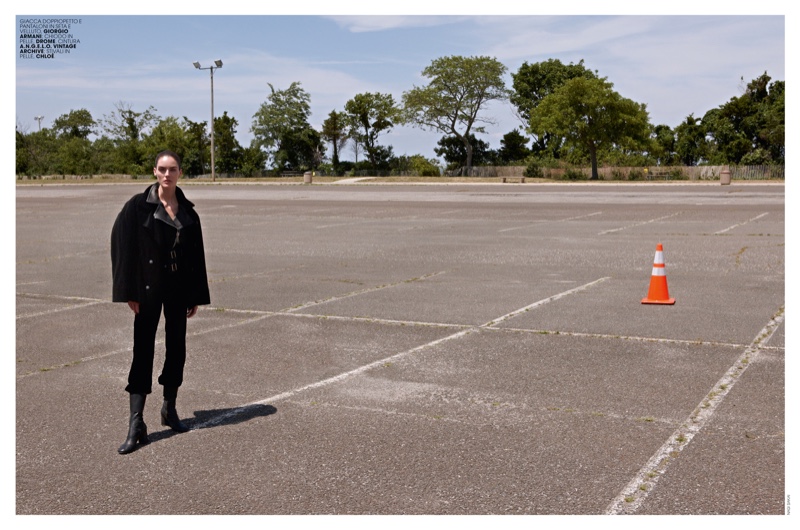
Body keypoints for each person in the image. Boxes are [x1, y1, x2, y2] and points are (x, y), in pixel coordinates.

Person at [111, 150, 210, 454]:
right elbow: (121, 246)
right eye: (163, 169)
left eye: (173, 170)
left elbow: (196, 257)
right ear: (154, 171)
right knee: (142, 349)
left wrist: (195, 294)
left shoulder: (188, 212)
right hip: (147, 287)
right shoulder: (137, 207)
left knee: (176, 347)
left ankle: (170, 409)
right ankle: (136, 422)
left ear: (180, 173)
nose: (168, 175)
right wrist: (129, 290)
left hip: (178, 287)